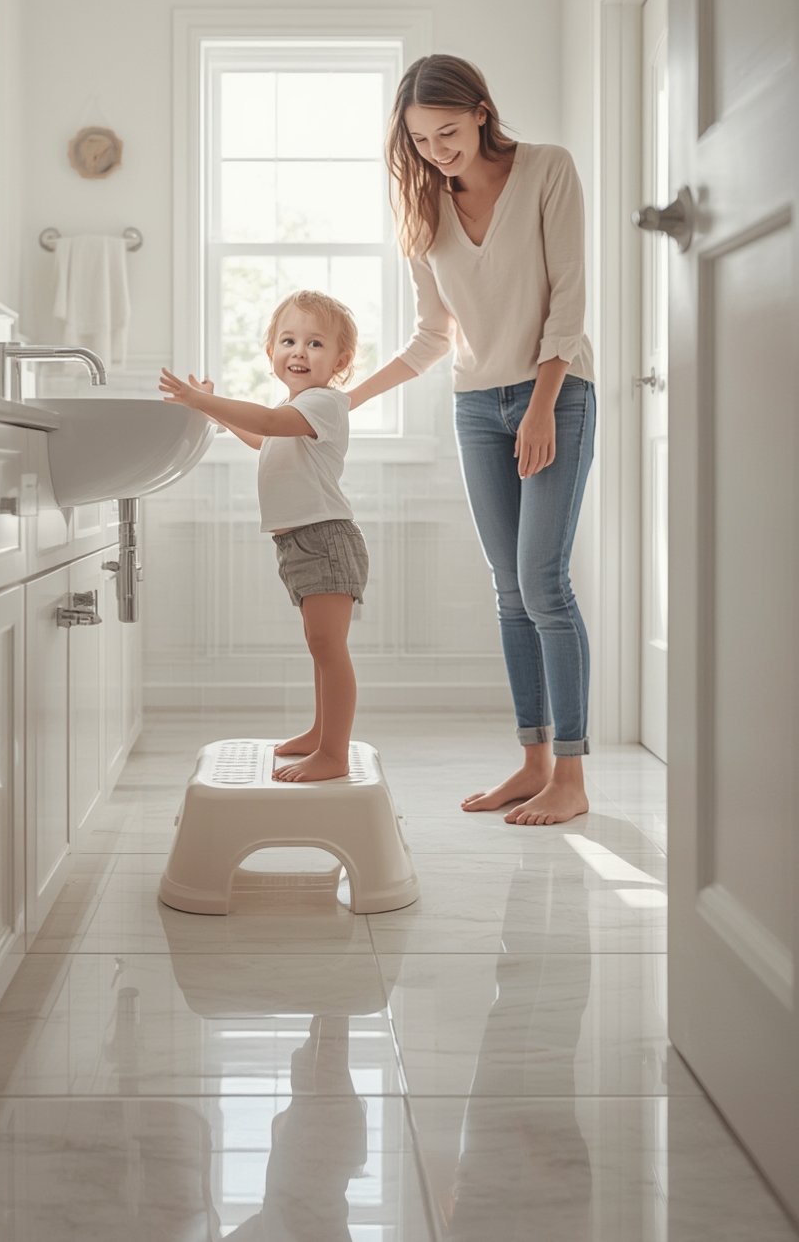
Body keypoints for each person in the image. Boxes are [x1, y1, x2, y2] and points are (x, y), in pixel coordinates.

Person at [348, 54, 596, 826]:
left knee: (544, 582)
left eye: (448, 132)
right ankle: (530, 764)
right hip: (475, 406)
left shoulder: (548, 169)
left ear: (482, 112)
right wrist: (343, 400)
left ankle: (572, 776)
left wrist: (541, 406)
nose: (437, 151)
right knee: (510, 591)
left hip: (556, 393)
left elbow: (569, 303)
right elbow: (431, 336)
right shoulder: (424, 206)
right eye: (421, 140)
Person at [159, 289, 368, 784]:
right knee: (320, 646)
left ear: (340, 361)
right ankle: (321, 734)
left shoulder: (325, 402)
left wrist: (203, 399)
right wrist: (214, 415)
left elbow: (270, 423)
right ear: (270, 351)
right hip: (300, 542)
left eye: (315, 344)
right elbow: (264, 436)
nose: (299, 351)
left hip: (325, 539)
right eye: (288, 340)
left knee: (328, 646)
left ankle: (334, 753)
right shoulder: (296, 408)